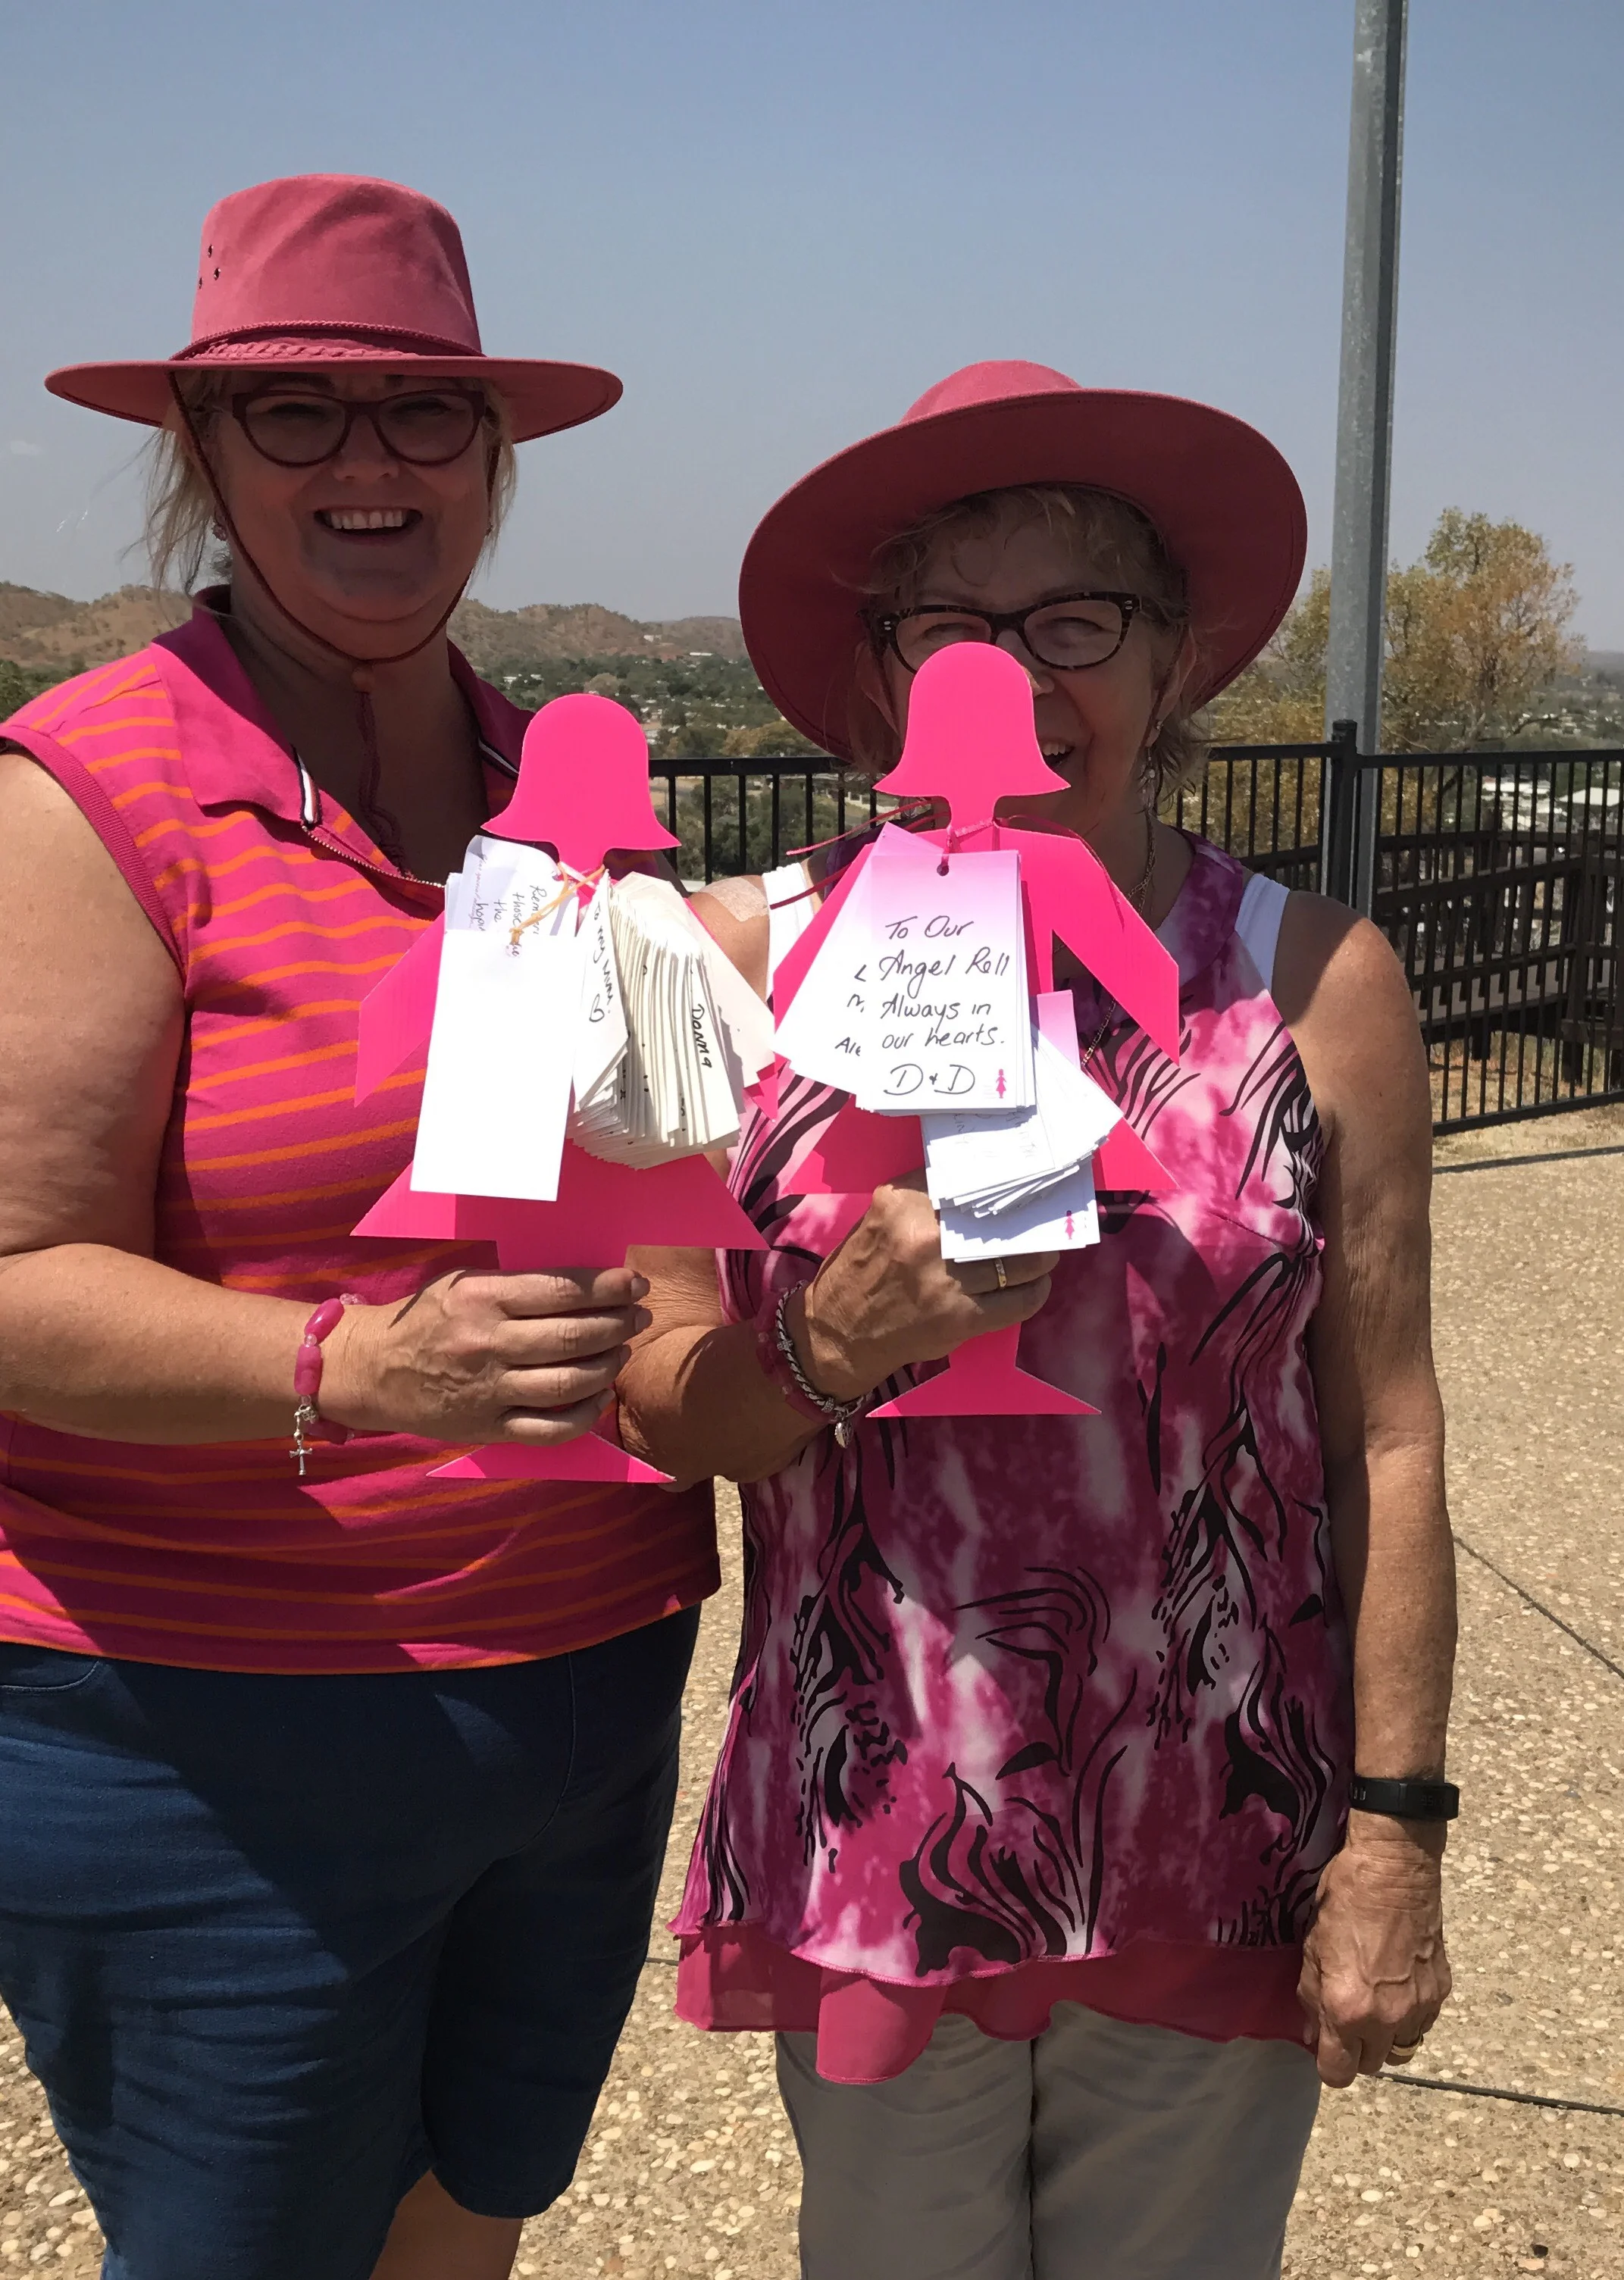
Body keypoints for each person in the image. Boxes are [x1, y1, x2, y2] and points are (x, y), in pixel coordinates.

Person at [619, 362, 1457, 2279]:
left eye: (1078, 619)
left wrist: (1398, 1828)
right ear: (879, 678)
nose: (1019, 675)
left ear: (1176, 661)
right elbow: (662, 1400)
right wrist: (824, 1345)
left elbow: (1392, 1433)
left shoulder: (1312, 984)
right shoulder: (732, 962)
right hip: (879, 1838)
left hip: (1214, 1831)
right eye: (954, 627)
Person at [0, 174, 715, 2280]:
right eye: (294, 413)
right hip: (211, 1734)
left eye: (419, 413)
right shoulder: (96, 790)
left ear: (489, 457)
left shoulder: (564, 788)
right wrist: (358, 1363)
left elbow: (660, 1226)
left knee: (471, 2216)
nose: (365, 463)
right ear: (203, 455)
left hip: (582, 1695)